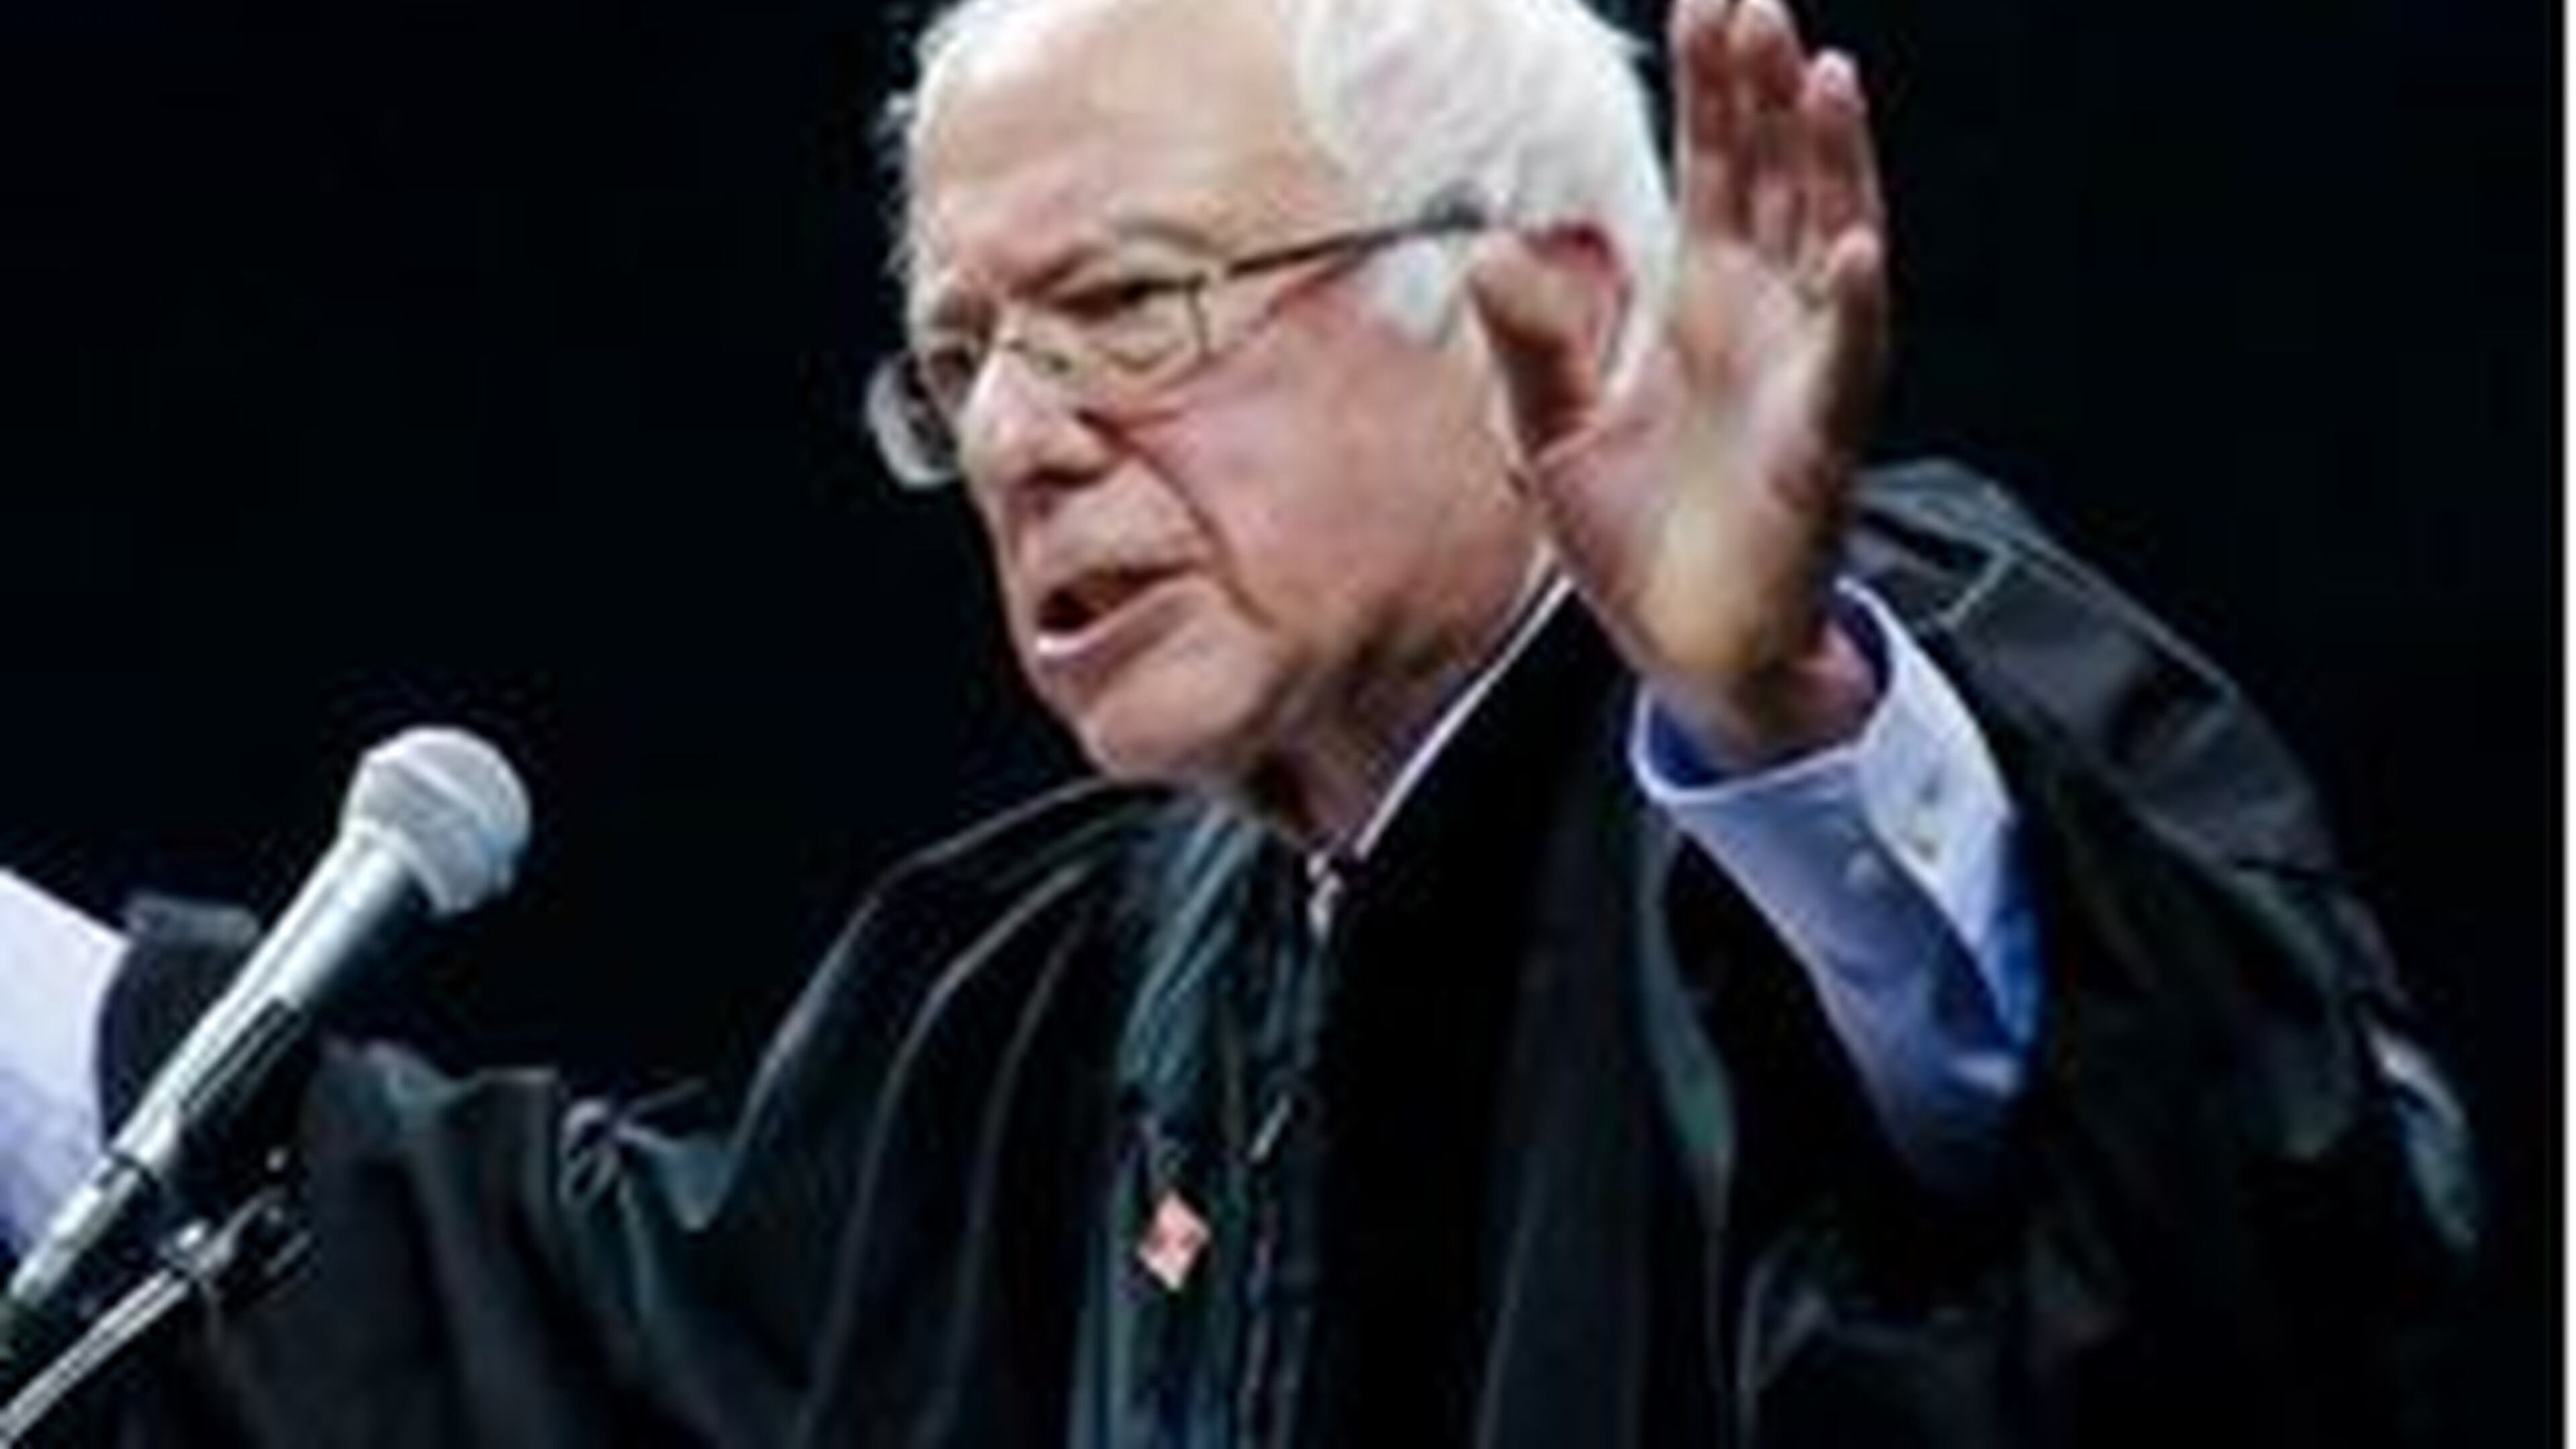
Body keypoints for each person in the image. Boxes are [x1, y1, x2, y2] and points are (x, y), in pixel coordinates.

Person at [0, 0, 2473, 1442]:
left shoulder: (1894, 693)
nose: (1016, 438)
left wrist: (1785, 735)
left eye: (1134, 306)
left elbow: (2209, 1209)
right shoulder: (1075, 989)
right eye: (963, 360)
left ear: (1549, 295)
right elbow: (558, 1322)